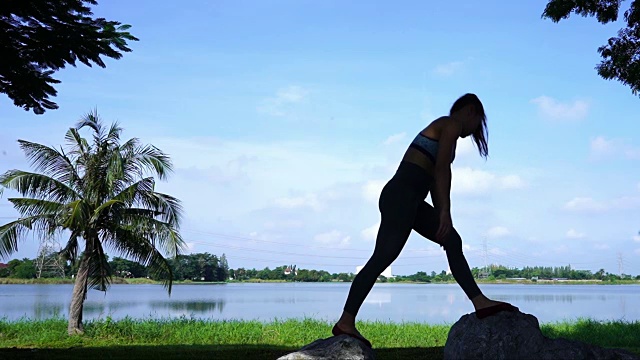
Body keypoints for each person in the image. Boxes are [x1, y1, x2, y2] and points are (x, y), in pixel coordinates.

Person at [331, 93, 517, 348]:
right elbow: (442, 170)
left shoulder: (447, 130)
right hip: (400, 195)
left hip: (413, 200)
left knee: (452, 240)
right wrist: (445, 213)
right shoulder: (450, 124)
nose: (476, 130)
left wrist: (443, 216)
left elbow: (433, 180)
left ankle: (480, 302)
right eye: (479, 121)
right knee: (383, 258)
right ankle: (346, 321)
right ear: (471, 111)